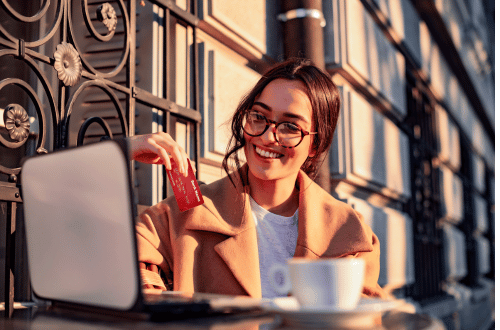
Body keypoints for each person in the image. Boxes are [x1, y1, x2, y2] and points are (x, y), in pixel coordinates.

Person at [131, 58, 385, 298]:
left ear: (315, 145)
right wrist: (122, 151)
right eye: (259, 117)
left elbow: (367, 318)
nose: (266, 137)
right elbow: (114, 263)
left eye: (290, 127)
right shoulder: (186, 214)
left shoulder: (350, 234)